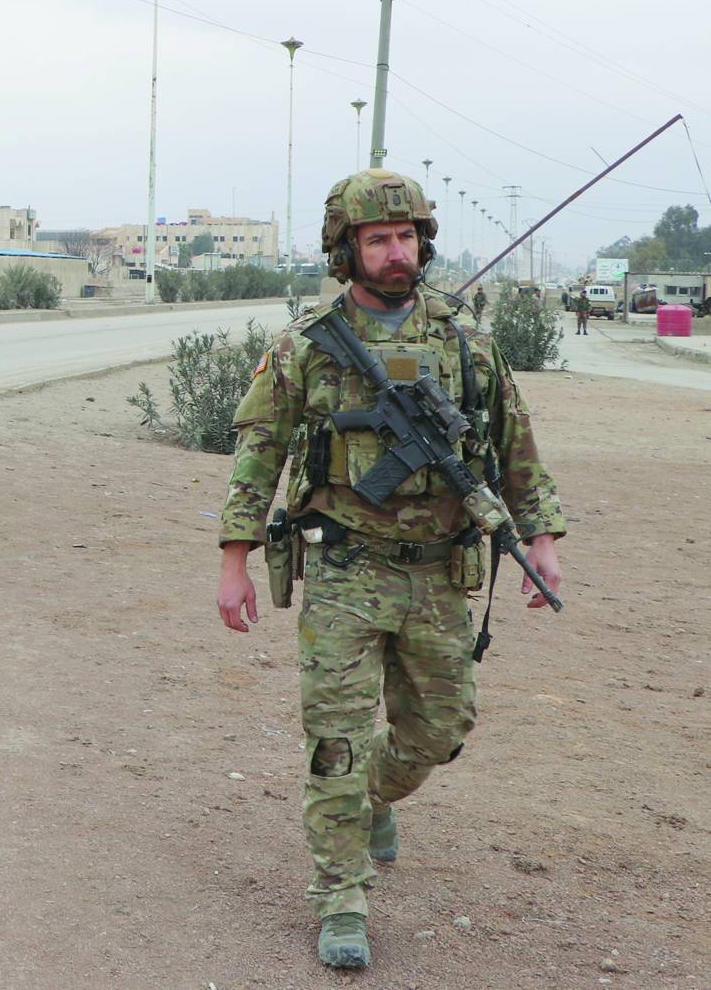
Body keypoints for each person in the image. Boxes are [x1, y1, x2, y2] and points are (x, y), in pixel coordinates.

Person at [213, 170, 566, 970]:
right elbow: (256, 452)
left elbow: (516, 444)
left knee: (438, 732)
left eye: (405, 236)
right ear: (347, 249)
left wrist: (539, 536)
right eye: (377, 238)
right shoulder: (307, 343)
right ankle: (341, 893)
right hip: (343, 565)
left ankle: (371, 797)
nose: (394, 251)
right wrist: (233, 557)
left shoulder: (467, 340)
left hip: (440, 571)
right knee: (333, 738)